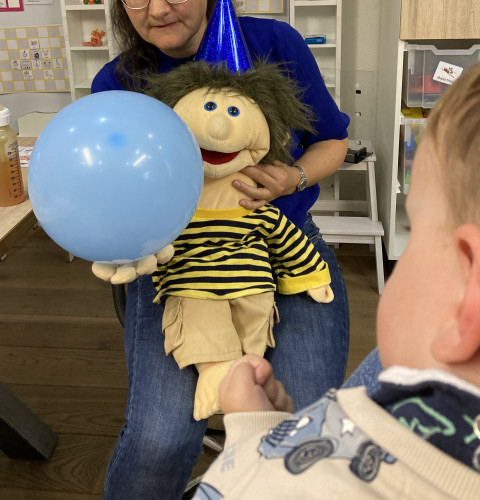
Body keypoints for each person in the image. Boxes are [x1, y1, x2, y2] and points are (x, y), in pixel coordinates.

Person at [91, 0, 350, 497]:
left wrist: (292, 177)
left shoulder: (276, 44)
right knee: (158, 440)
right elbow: (111, 188)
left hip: (285, 248)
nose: (157, 9)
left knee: (304, 429)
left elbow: (332, 141)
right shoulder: (118, 84)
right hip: (177, 262)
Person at [194, 63, 480, 499]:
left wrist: (253, 439)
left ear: (466, 303)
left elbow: (236, 489)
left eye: (416, 230)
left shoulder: (335, 479)